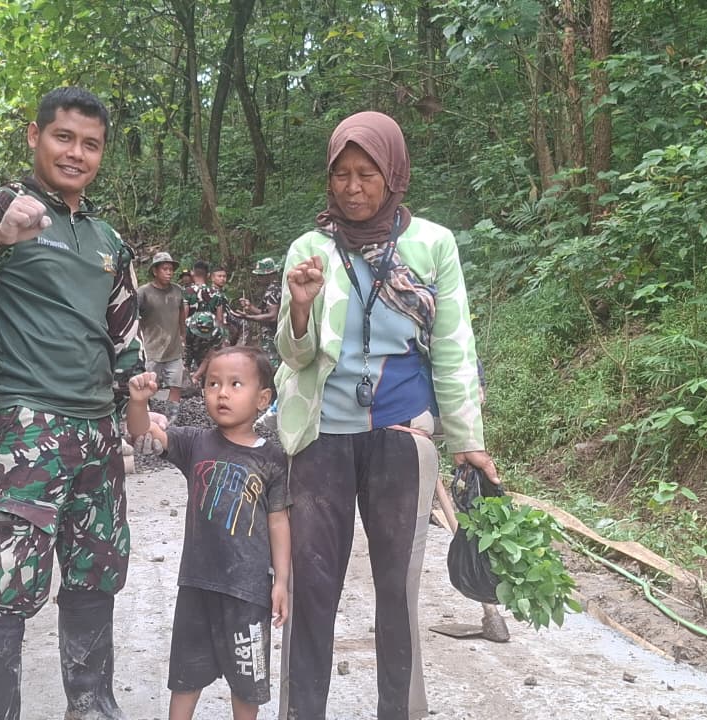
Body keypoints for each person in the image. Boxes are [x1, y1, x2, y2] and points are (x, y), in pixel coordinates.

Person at [274, 111, 499, 720]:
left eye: (367, 173)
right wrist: (300, 308)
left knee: (398, 587)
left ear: (394, 174)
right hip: (320, 433)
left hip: (401, 434)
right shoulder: (311, 249)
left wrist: (466, 439)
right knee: (313, 583)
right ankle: (301, 712)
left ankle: (399, 711)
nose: (353, 187)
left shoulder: (432, 244)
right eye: (341, 174)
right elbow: (293, 356)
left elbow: (453, 346)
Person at [0, 87, 141, 720]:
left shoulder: (108, 239)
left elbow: (123, 338)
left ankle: (92, 705)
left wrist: (134, 405)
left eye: (90, 144)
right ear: (35, 136)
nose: (76, 153)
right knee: (4, 577)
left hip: (96, 429)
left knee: (95, 567)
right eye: (63, 137)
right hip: (25, 423)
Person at [125, 346, 290, 720]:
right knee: (185, 678)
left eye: (235, 384)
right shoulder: (195, 442)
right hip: (197, 585)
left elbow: (278, 520)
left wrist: (281, 581)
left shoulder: (272, 459)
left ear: (263, 398)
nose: (222, 393)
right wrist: (138, 402)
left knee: (247, 685)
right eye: (213, 384)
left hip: (248, 592)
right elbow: (142, 432)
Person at [137, 251, 188, 421]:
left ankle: (172, 418)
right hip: (151, 349)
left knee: (176, 385)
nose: (169, 272)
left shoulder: (177, 291)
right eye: (165, 269)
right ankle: (144, 416)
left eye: (171, 269)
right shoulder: (143, 293)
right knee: (147, 385)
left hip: (174, 348)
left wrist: (183, 335)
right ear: (155, 271)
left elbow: (181, 314)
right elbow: (133, 317)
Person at [230, 257, 282, 366]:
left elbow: (272, 316)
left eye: (261, 275)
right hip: (274, 335)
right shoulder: (278, 287)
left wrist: (247, 317)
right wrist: (251, 308)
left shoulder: (272, 291)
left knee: (271, 364)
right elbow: (267, 313)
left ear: (269, 275)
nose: (258, 278)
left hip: (272, 336)